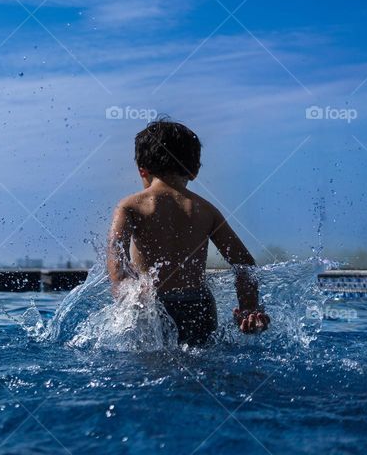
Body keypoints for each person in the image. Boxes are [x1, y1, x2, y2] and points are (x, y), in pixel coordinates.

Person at [106, 118, 270, 345]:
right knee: (201, 362)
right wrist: (248, 308)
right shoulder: (206, 210)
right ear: (194, 171)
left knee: (153, 366)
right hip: (199, 306)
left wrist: (126, 291)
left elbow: (116, 256)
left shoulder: (130, 206)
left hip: (152, 305)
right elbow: (244, 264)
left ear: (142, 170)